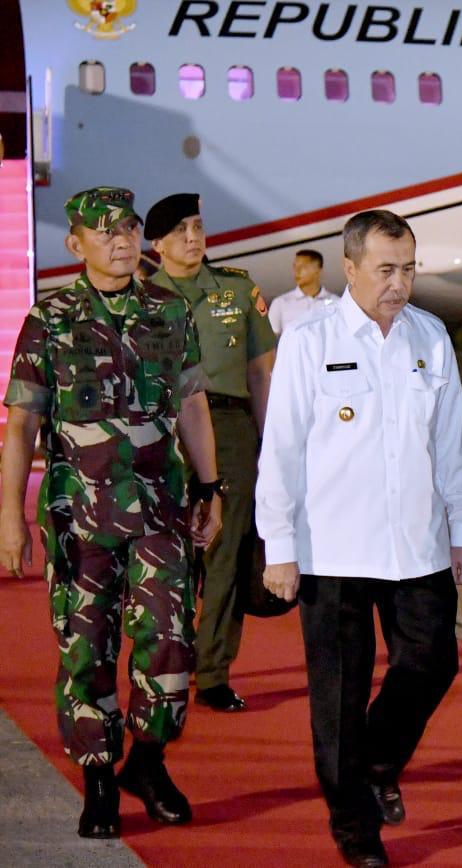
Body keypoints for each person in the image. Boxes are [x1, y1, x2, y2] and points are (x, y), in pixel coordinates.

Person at [257, 209, 462, 868]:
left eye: (408, 268)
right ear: (350, 268)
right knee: (339, 699)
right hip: (333, 552)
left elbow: (448, 448)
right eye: (386, 269)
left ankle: (376, 764)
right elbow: (283, 448)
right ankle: (356, 829)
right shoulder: (309, 339)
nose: (399, 283)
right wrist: (280, 546)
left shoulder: (430, 337)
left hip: (418, 546)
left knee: (433, 663)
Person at [0, 187, 223, 838]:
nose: (123, 240)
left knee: (171, 641)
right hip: (81, 516)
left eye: (128, 228)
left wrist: (210, 488)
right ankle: (99, 778)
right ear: (77, 245)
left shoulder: (167, 308)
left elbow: (192, 406)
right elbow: (21, 427)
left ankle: (148, 763)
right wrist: (11, 517)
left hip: (159, 509)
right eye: (107, 233)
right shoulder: (53, 316)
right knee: (86, 646)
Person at [145, 193, 277, 712]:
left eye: (198, 227)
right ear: (156, 243)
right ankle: (165, 662)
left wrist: (271, 446)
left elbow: (262, 372)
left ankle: (214, 670)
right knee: (167, 551)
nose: (193, 238)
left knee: (227, 549)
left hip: (230, 424)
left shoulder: (238, 291)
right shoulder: (140, 297)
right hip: (162, 427)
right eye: (180, 230)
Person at [268, 249, 337, 336]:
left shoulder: (336, 303)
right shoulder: (281, 302)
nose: (296, 271)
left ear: (318, 270)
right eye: (295, 267)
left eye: (303, 267)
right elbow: (269, 344)